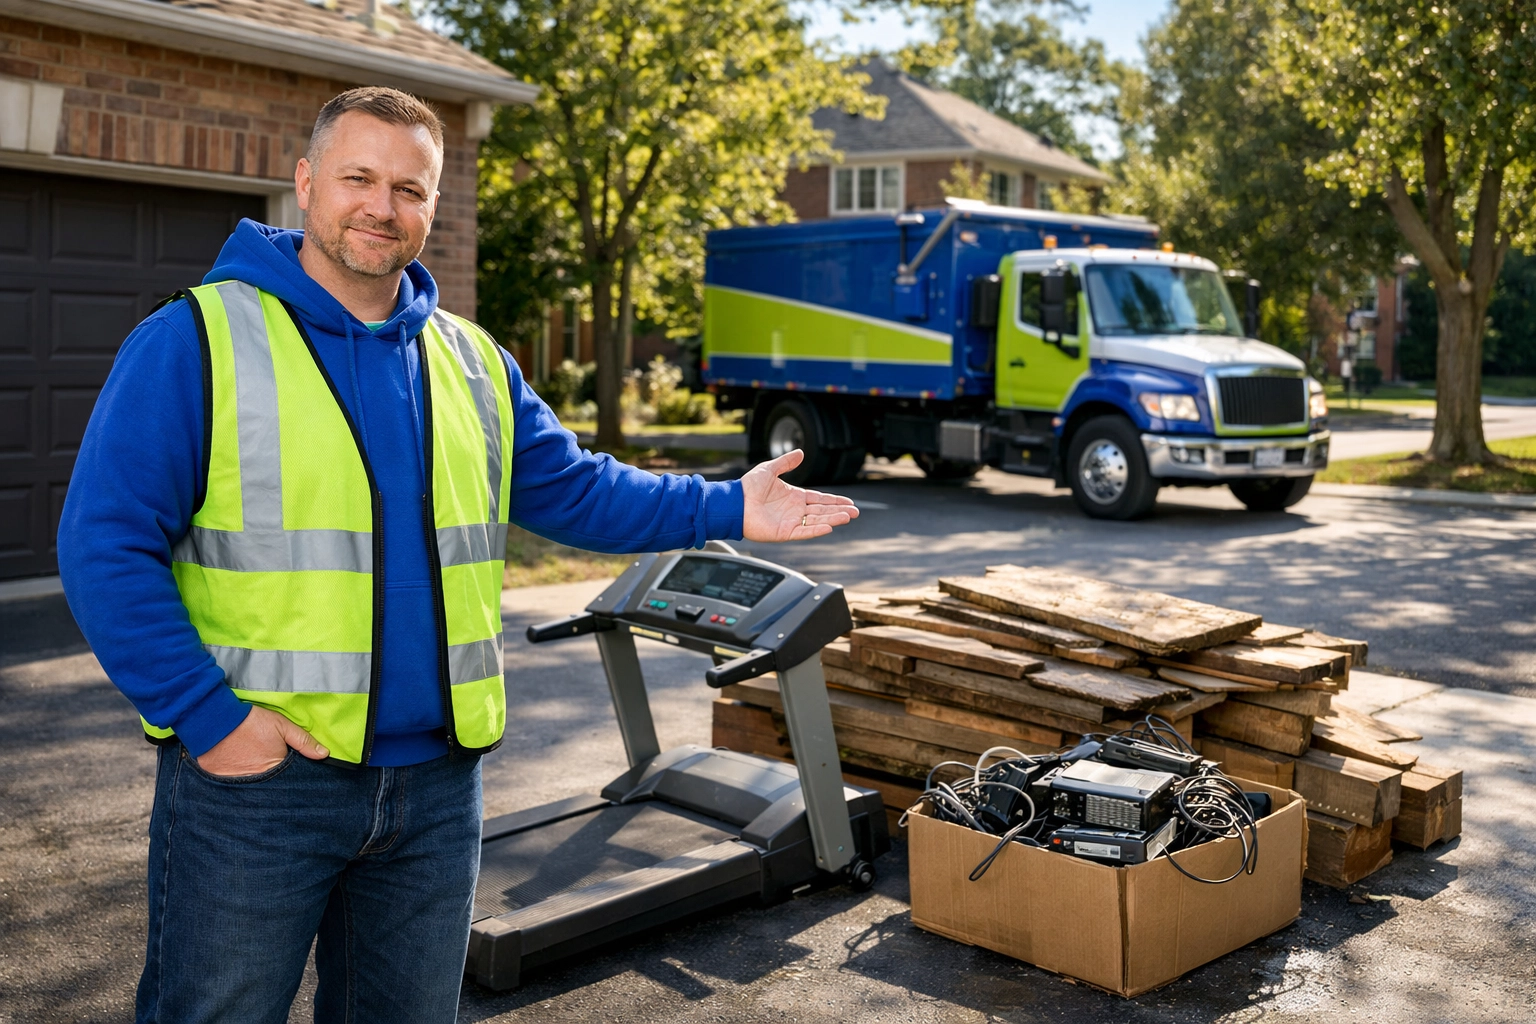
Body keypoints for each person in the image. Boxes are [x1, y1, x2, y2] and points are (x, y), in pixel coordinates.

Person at [56, 86, 858, 1024]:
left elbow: (573, 488)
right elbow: (103, 544)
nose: (382, 206)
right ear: (307, 183)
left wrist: (722, 504)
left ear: (433, 206)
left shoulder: (472, 360)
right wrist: (210, 719)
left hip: (438, 791)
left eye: (411, 188)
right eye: (359, 177)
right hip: (261, 791)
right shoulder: (197, 339)